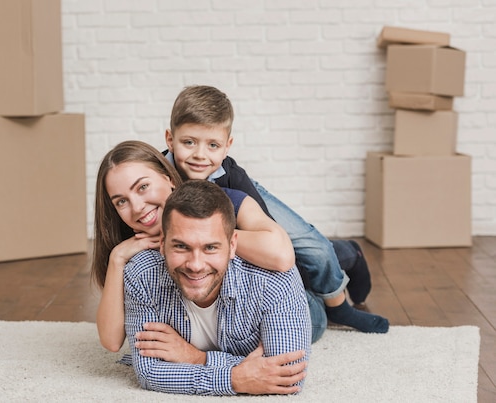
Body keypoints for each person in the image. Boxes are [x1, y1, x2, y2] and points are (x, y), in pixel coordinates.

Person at [164, 85, 386, 332]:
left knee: (316, 249)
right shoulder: (156, 178)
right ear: (170, 140)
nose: (199, 155)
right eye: (189, 142)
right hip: (227, 242)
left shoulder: (233, 178)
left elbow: (273, 244)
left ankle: (340, 292)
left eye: (212, 146)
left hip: (245, 203)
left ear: (227, 146)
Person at [92, 140, 326, 353]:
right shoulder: (131, 248)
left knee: (318, 296)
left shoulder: (220, 201)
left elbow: (282, 256)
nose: (137, 207)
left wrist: (201, 235)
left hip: (291, 303)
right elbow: (111, 342)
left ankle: (342, 261)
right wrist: (117, 259)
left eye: (143, 187)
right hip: (214, 325)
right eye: (121, 201)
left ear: (168, 179)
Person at [125, 179, 311, 395]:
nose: (195, 265)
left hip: (307, 306)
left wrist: (195, 357)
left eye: (210, 247)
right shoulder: (141, 274)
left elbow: (286, 377)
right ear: (162, 243)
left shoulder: (275, 281)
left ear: (232, 245)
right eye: (181, 246)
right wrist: (236, 378)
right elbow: (148, 373)